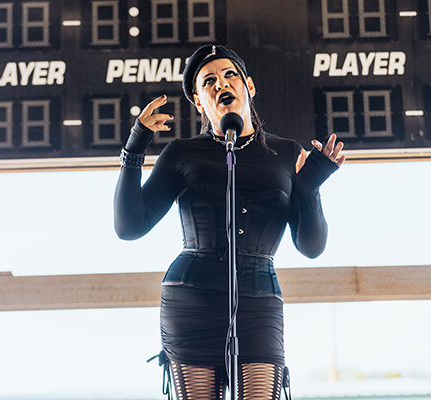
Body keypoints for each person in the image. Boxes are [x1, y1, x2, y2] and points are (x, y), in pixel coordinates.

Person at [114, 45, 345, 400]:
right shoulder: (181, 153)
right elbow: (130, 227)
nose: (221, 84)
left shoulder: (288, 153)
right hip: (191, 301)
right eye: (209, 81)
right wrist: (135, 146)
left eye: (230, 75)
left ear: (248, 86)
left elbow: (311, 247)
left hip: (259, 303)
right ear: (198, 99)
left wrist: (310, 185)